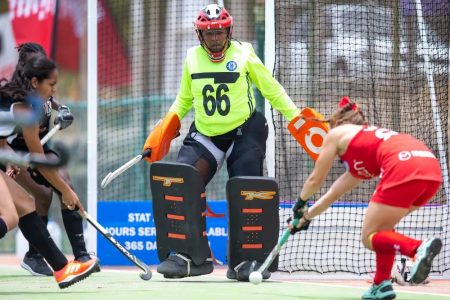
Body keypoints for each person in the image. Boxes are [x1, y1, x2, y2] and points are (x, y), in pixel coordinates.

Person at [142, 4, 303, 280]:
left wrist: (297, 118)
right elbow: (184, 99)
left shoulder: (245, 53)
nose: (215, 38)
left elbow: (271, 89)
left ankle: (245, 261)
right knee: (182, 182)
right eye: (209, 33)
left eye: (219, 32)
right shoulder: (192, 58)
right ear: (199, 35)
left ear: (228, 31)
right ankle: (192, 258)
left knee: (246, 189)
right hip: (206, 133)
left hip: (245, 131)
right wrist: (165, 126)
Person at [289, 97, 443, 300]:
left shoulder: (337, 133)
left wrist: (300, 202)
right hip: (431, 171)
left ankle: (416, 248)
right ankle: (381, 285)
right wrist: (306, 217)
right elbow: (332, 194)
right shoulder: (366, 149)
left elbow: (315, 179)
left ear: (338, 122)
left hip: (403, 166)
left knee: (369, 237)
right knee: (383, 230)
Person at [0, 66, 98, 290]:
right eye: (51, 85)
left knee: (25, 205)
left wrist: (12, 159)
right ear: (35, 82)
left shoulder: (18, 101)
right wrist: (65, 190)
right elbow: (40, 161)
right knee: (10, 216)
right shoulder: (26, 111)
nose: (55, 90)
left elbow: (2, 140)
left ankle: (62, 269)